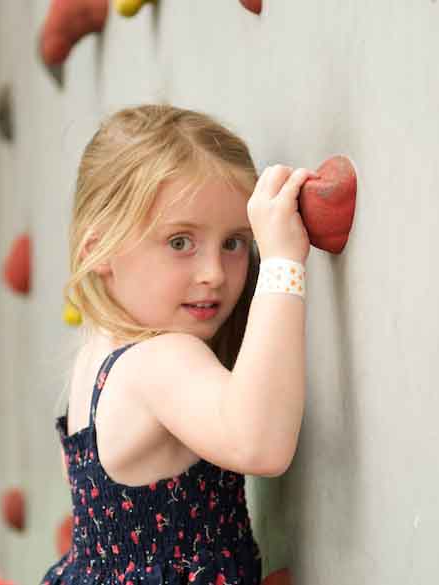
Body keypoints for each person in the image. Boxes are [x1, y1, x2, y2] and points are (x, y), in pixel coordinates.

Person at [40, 104, 316, 584]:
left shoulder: (100, 352)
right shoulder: (161, 358)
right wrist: (282, 263)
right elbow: (261, 446)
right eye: (180, 242)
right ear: (99, 250)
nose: (214, 273)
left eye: (234, 243)